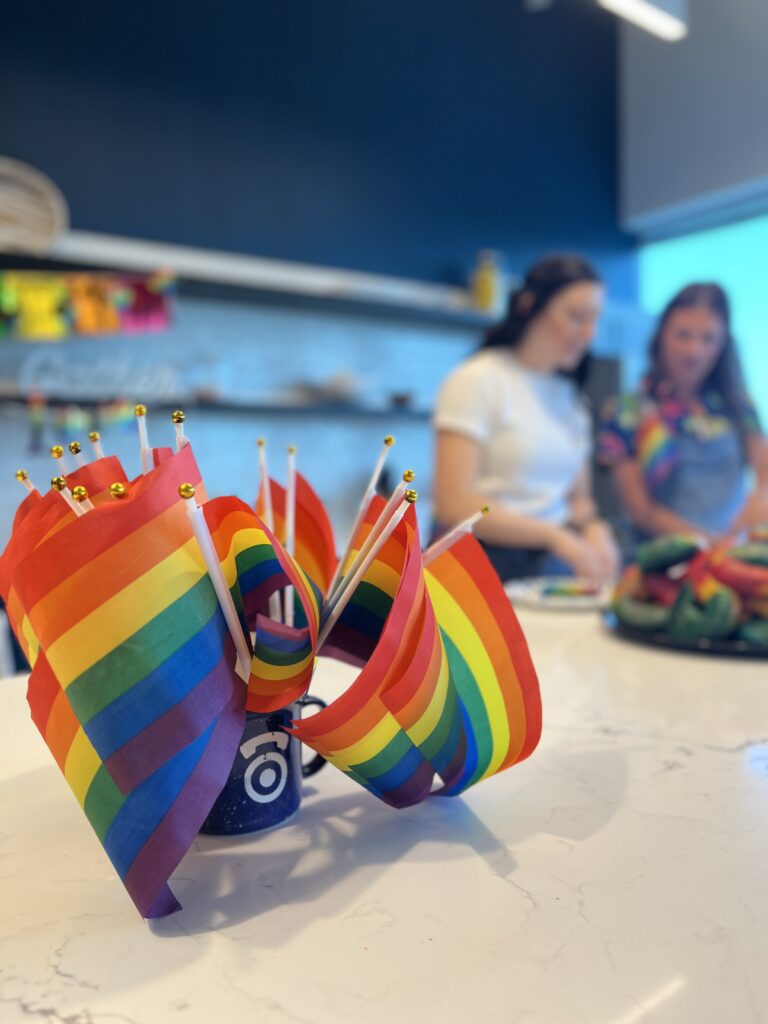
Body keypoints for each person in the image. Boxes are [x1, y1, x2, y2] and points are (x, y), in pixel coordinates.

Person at [432, 254, 619, 582]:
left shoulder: (572, 400)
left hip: (550, 570)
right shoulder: (478, 379)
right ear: (530, 305)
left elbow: (579, 500)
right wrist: (554, 536)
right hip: (479, 568)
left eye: (595, 320)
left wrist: (594, 527)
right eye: (577, 317)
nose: (589, 334)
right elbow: (454, 503)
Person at [599, 283, 768, 549]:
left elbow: (765, 474)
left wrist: (759, 503)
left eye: (708, 338)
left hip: (732, 555)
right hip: (662, 558)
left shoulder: (738, 405)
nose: (694, 350)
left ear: (723, 343)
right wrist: (709, 545)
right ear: (662, 334)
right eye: (683, 335)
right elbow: (641, 512)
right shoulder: (628, 411)